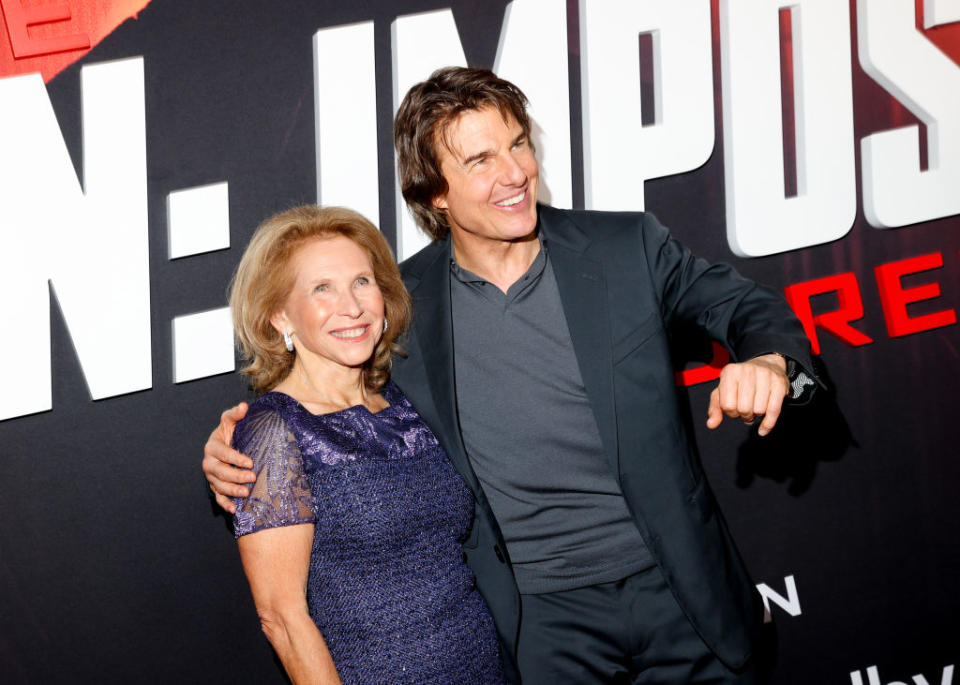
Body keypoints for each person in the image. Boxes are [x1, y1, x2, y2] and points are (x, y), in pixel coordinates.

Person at [205, 68, 817, 683]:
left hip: (682, 594)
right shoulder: (400, 307)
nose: (515, 172)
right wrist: (239, 446)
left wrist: (770, 361)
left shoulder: (624, 247)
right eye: (480, 159)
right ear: (434, 193)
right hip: (540, 625)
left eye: (518, 143)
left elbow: (746, 307)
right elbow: (329, 405)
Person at [222, 205, 504, 684]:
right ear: (278, 314)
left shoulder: (411, 400)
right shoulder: (272, 431)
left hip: (482, 667)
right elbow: (282, 619)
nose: (351, 307)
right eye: (321, 289)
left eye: (361, 282)